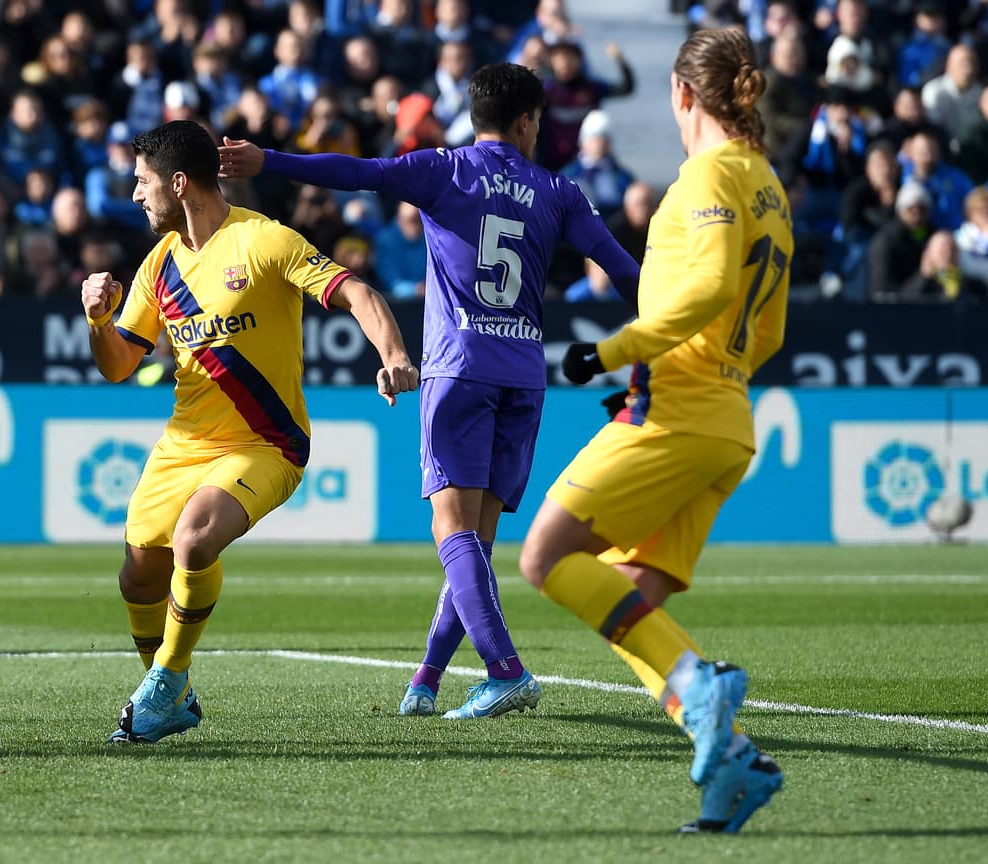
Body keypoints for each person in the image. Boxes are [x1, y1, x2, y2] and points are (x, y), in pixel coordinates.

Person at [218, 63, 640, 721]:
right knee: (474, 541)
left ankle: (504, 670)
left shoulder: (445, 169)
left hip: (460, 368)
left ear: (477, 116)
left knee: (451, 530)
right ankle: (427, 679)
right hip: (525, 377)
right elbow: (623, 272)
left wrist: (267, 159)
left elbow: (357, 172)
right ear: (528, 120)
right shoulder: (561, 191)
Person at [517, 27, 788, 833]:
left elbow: (704, 286)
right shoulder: (765, 183)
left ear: (680, 93)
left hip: (675, 407)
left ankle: (703, 688)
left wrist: (613, 352)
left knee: (546, 556)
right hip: (728, 418)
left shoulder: (706, 175)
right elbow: (766, 329)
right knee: (631, 601)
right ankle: (732, 765)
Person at [83, 120, 417, 743]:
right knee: (139, 577)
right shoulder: (160, 264)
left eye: (142, 182)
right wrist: (98, 322)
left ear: (179, 184)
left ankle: (164, 679)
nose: (135, 195)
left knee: (194, 538)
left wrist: (393, 353)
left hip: (266, 443)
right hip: (183, 444)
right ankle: (172, 693)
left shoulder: (264, 241)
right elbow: (118, 366)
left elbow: (359, 293)